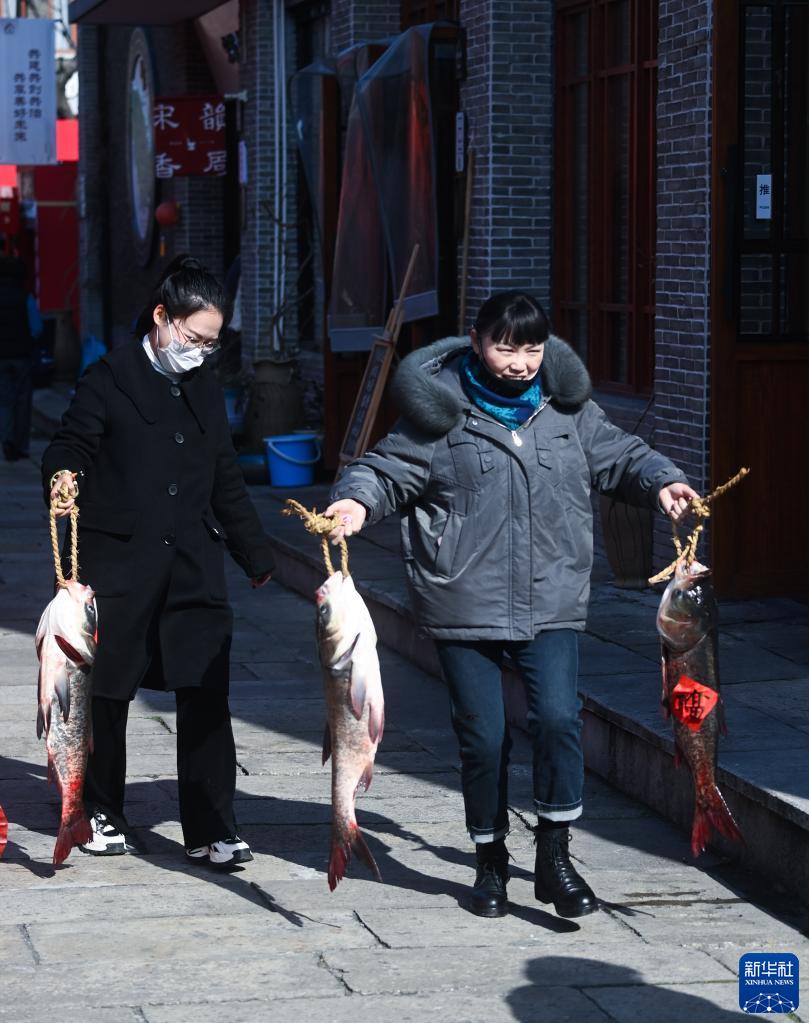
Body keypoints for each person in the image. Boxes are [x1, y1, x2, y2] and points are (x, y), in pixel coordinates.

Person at [325, 292, 698, 918]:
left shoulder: (566, 410)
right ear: (476, 342)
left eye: (532, 348)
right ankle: (490, 860)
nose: (521, 363)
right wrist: (356, 501)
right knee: (483, 736)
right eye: (506, 348)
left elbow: (621, 456)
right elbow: (385, 471)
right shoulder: (438, 412)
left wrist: (663, 479)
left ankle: (554, 858)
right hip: (462, 598)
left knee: (557, 720)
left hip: (550, 595)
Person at [42, 255, 275, 868]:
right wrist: (63, 475)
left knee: (206, 691)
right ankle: (98, 810)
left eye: (211, 343)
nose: (200, 352)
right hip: (118, 563)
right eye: (193, 338)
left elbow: (225, 474)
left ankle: (211, 826)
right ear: (161, 318)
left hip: (193, 562)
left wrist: (255, 553)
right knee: (106, 693)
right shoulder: (109, 377)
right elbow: (70, 443)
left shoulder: (204, 384)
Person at [0, 250, 43, 461]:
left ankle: (7, 438)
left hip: (1, 357)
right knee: (23, 401)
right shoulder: (25, 298)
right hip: (22, 356)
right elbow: (37, 328)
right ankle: (21, 445)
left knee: (4, 401)